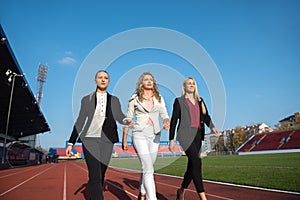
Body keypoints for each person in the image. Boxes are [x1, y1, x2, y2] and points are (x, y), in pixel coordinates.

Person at [66, 70, 131, 200]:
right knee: (95, 175)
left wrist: (127, 120)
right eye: (100, 77)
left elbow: (119, 116)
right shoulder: (86, 99)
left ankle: (94, 196)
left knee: (101, 173)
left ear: (108, 81)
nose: (103, 80)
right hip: (89, 140)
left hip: (107, 140)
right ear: (95, 80)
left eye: (106, 78)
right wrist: (71, 143)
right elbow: (80, 121)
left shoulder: (114, 100)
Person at [168, 77, 221, 200]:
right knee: (197, 162)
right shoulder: (179, 101)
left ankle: (181, 191)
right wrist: (171, 140)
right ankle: (203, 197)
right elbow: (174, 120)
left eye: (193, 83)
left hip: (198, 135)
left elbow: (206, 116)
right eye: (189, 83)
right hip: (184, 135)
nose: (191, 85)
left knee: (192, 166)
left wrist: (213, 128)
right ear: (184, 87)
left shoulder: (200, 101)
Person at [122, 72, 170, 200]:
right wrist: (124, 138)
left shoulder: (159, 98)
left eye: (151, 79)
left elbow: (164, 113)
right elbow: (128, 118)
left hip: (155, 134)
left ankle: (142, 192)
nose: (149, 81)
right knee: (148, 168)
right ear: (141, 83)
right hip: (139, 133)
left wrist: (166, 121)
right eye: (145, 80)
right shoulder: (134, 98)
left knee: (149, 166)